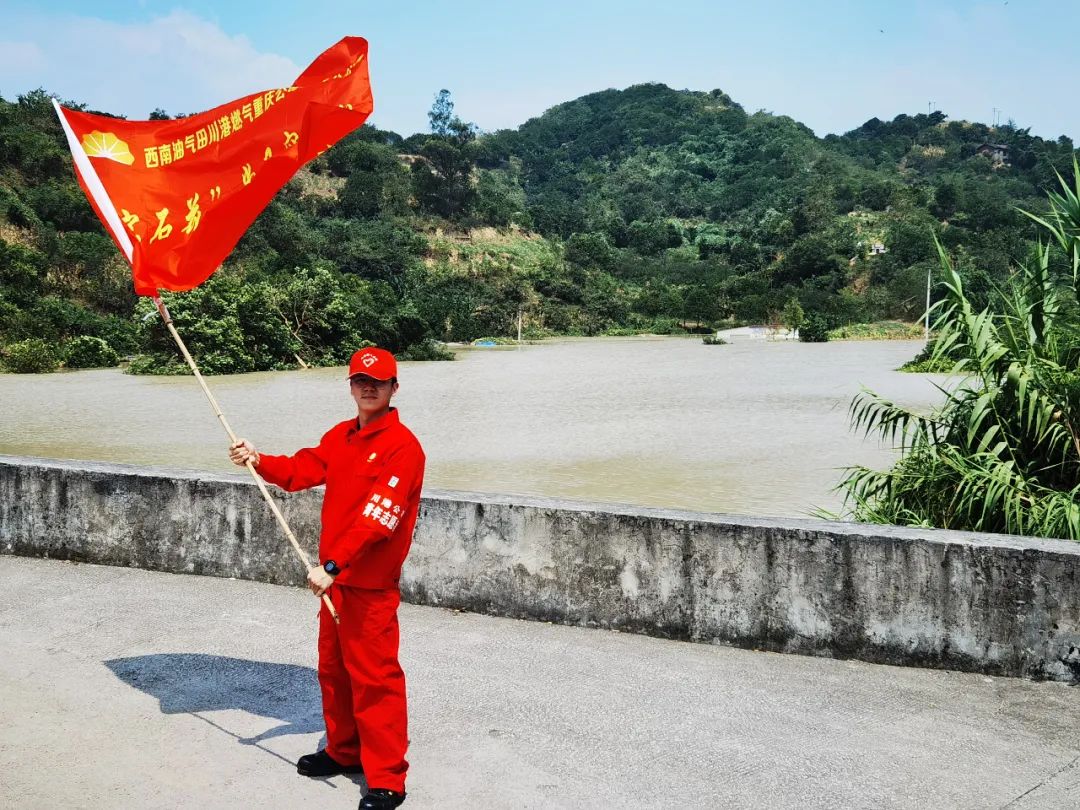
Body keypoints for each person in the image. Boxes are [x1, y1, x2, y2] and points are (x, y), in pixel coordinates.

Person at [229, 347, 424, 810]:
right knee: (334, 671)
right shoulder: (341, 436)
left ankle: (388, 778)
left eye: (378, 381)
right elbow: (302, 469)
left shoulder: (404, 447)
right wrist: (258, 459)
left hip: (366, 584)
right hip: (333, 581)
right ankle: (343, 751)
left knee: (375, 678)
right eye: (360, 380)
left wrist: (333, 565)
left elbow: (380, 519)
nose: (368, 387)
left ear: (395, 388)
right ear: (351, 386)